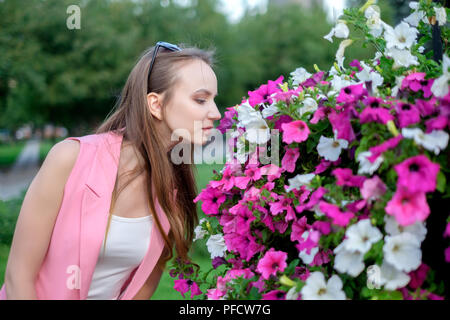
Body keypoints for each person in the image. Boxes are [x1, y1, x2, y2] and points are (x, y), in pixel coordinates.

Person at [2, 42, 221, 299]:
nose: (215, 113)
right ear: (155, 104)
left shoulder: (173, 190)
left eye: (213, 100)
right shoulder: (69, 159)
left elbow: (142, 288)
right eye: (201, 100)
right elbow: (18, 277)